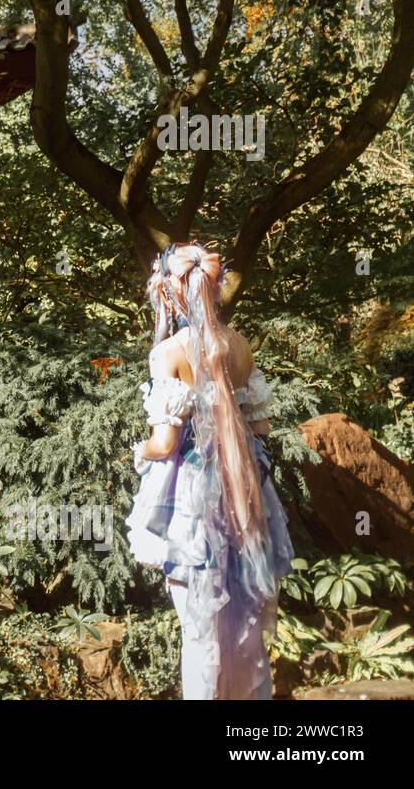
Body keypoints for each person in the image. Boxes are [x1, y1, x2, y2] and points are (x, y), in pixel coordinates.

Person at [126, 243, 294, 699]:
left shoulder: (169, 352)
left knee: (199, 629)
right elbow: (260, 430)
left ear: (172, 294)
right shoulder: (239, 345)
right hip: (246, 500)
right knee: (243, 623)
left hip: (193, 506)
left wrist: (134, 449)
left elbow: (164, 444)